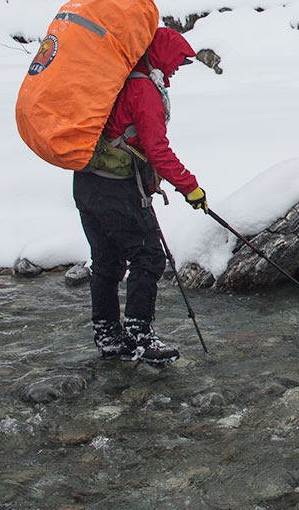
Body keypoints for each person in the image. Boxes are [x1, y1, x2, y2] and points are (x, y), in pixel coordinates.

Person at [75, 25, 204, 362]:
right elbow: (157, 149)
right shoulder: (143, 91)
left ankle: (108, 336)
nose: (177, 68)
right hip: (117, 188)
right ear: (161, 55)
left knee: (107, 260)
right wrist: (191, 188)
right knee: (149, 257)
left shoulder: (120, 82)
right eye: (177, 61)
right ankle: (140, 336)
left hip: (87, 182)